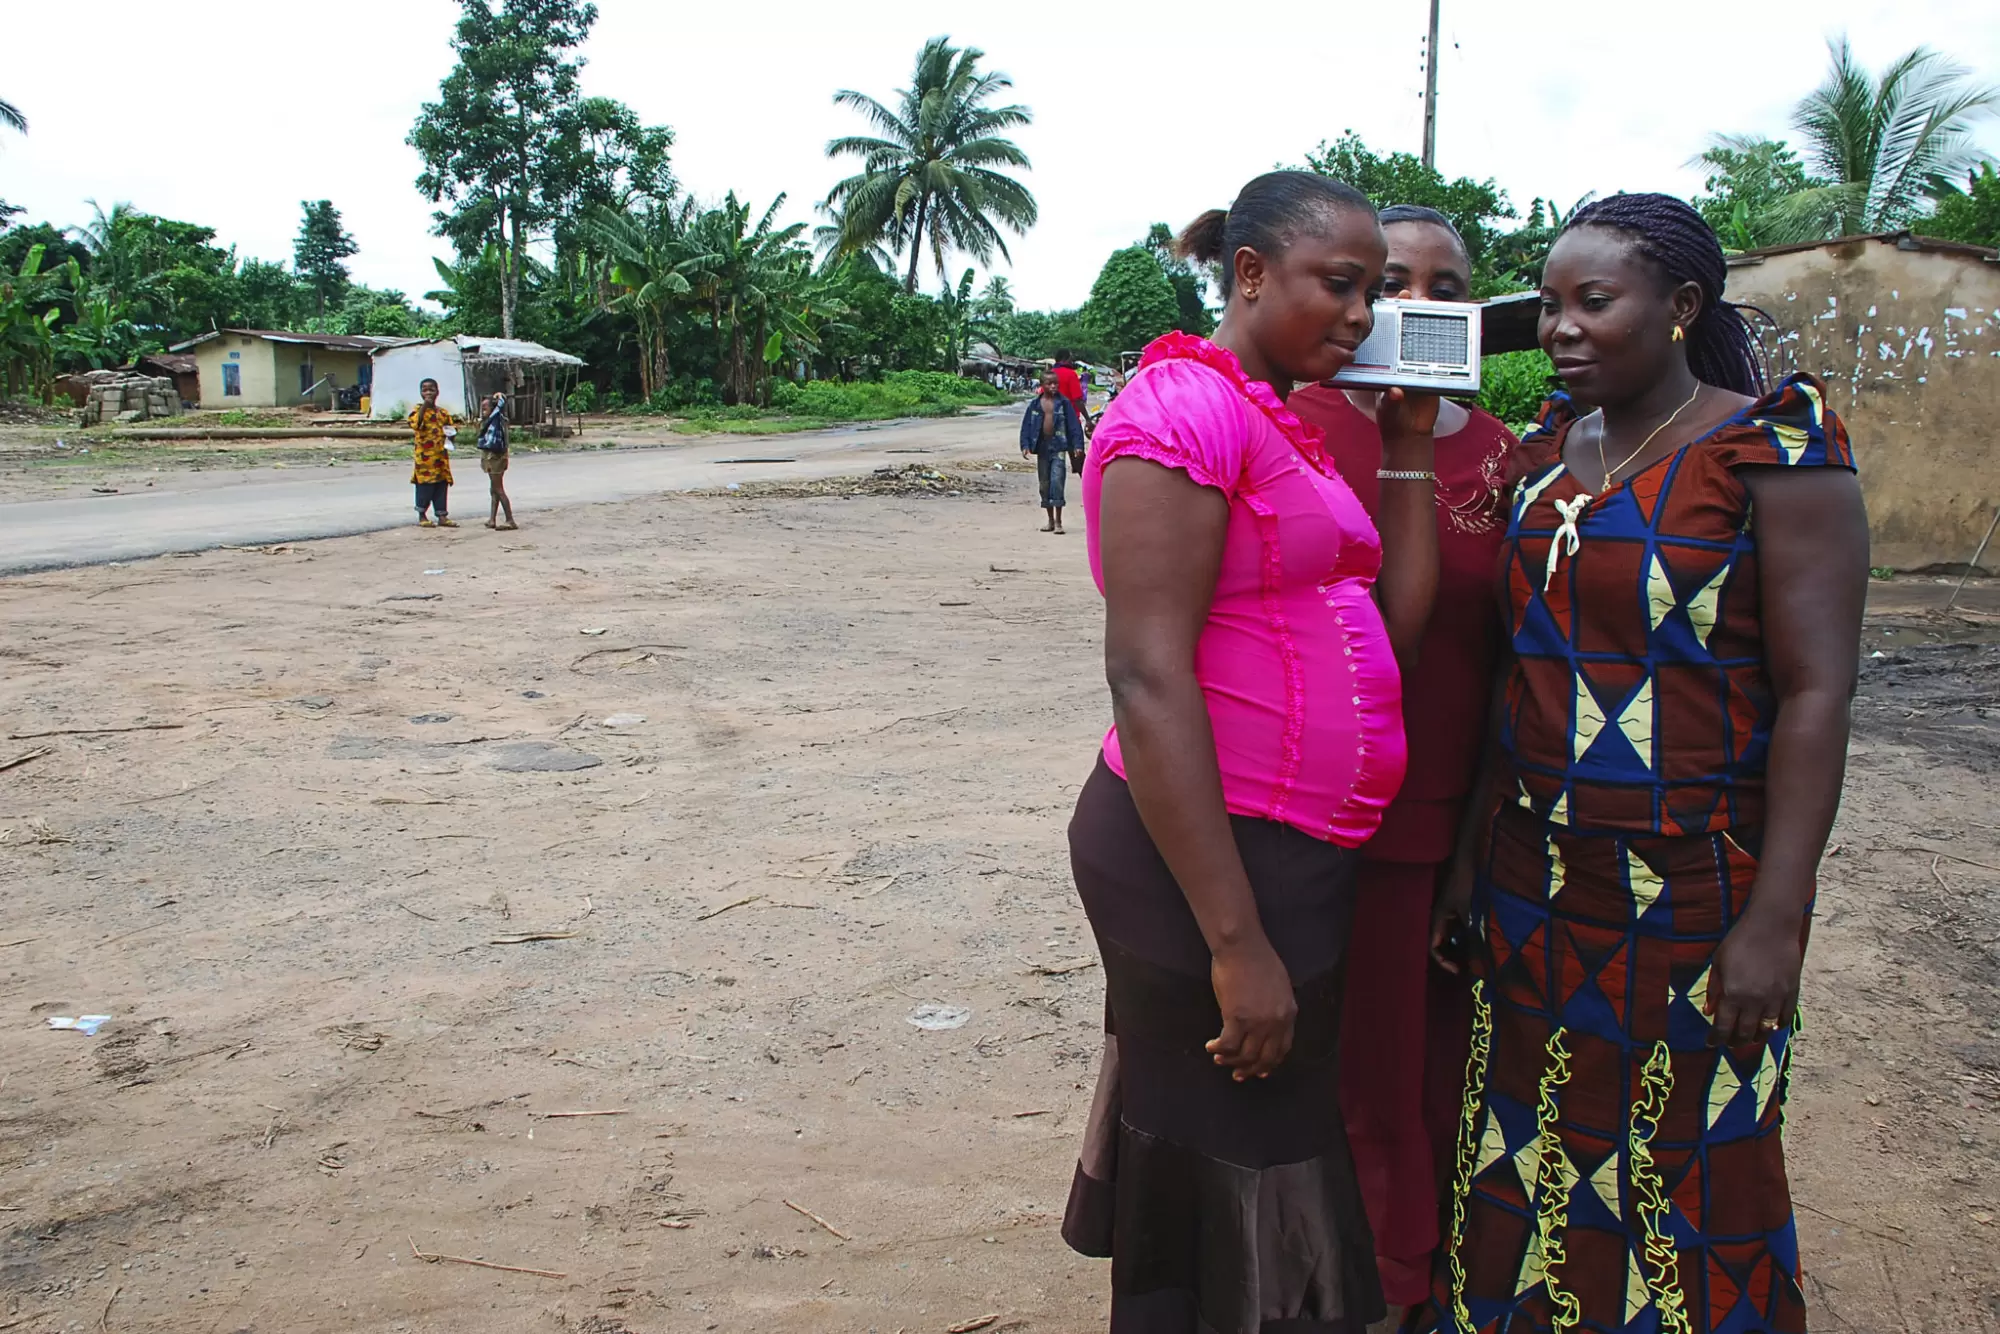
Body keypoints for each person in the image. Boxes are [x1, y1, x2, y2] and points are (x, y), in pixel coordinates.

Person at [1411, 194, 1866, 1334]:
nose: (1560, 327)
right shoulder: (1538, 462)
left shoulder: (1769, 449)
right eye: (1549, 303)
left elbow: (1817, 692)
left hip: (1698, 886)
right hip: (1533, 876)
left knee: (1692, 1149)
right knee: (1529, 1139)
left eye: (1593, 301)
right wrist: (1467, 862)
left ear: (1680, 306)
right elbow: (1514, 676)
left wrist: (1777, 919)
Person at [1062, 170, 1443, 1333]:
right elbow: (1145, 674)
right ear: (1247, 273)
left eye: (1372, 294)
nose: (1361, 316)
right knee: (1232, 1153)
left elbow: (1393, 625)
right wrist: (1235, 943)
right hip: (1208, 858)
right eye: (1339, 284)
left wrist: (1408, 444)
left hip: (1281, 848)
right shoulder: (1181, 409)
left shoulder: (1276, 418)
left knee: (1239, 1150)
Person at [1288, 203, 1520, 1329]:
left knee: (1433, 1052)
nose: (1417, 304)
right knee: (1346, 1054)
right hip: (1321, 799)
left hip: (1453, 798)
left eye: (1446, 285)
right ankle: (1363, 1275)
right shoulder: (1293, 425)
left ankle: (1423, 1263)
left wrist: (1483, 822)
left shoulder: (1504, 453)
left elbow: (1517, 647)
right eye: (1393, 283)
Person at [1020, 369, 1085, 533]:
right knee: (1044, 484)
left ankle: (1058, 522)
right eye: (1049, 384)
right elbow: (1026, 426)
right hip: (1042, 448)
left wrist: (1078, 445)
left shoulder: (1064, 403)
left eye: (1056, 383)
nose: (1053, 386)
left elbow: (1074, 426)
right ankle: (1049, 520)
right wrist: (1025, 445)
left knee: (1057, 481)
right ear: (1042, 385)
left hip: (1059, 447)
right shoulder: (1035, 405)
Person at [408, 378, 457, 528]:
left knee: (441, 485)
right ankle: (422, 516)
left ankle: (442, 516)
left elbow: (451, 429)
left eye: (432, 390)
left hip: (441, 458)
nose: (428, 393)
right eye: (425, 390)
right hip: (425, 460)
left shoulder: (443, 412)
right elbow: (416, 424)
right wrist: (425, 406)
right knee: (425, 486)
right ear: (421, 393)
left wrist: (451, 437)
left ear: (437, 392)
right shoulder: (417, 410)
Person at [475, 392, 517, 530]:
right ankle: (492, 519)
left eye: (485, 409)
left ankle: (510, 520)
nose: (483, 412)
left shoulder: (496, 417)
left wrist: (499, 396)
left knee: (498, 489)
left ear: (493, 409)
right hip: (491, 455)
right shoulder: (489, 420)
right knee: (494, 489)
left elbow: (501, 402)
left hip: (495, 457)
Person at [1053, 350, 1089, 427]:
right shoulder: (1071, 374)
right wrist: (1087, 419)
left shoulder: (1049, 374)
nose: (1072, 362)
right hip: (1070, 419)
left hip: (1052, 419)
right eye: (1070, 359)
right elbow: (1078, 400)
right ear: (1064, 359)